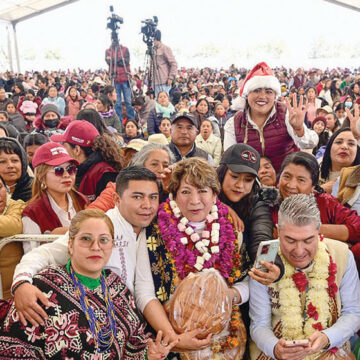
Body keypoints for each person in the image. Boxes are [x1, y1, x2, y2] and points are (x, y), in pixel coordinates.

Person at [1, 209, 177, 359]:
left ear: (112, 245)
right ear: (70, 245)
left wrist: (149, 354)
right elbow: (14, 348)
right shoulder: (43, 287)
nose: (95, 247)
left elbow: (135, 343)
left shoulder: (116, 286)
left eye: (104, 240)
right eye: (86, 239)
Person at [11, 167, 159, 329]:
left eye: (153, 197)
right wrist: (21, 283)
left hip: (133, 325)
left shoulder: (155, 228)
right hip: (90, 323)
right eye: (137, 197)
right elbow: (45, 254)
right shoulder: (99, 226)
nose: (147, 205)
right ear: (117, 199)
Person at [135, 158, 249, 358]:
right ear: (174, 195)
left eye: (203, 191)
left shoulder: (233, 229)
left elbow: (248, 280)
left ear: (215, 195)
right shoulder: (153, 231)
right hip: (171, 338)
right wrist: (176, 339)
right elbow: (144, 293)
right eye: (186, 191)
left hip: (225, 339)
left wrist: (229, 296)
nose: (195, 201)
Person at [249, 194, 360, 360]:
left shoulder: (342, 254)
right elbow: (259, 324)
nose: (299, 251)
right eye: (290, 240)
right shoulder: (266, 260)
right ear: (278, 231)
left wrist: (328, 337)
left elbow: (353, 313)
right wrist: (275, 348)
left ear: (318, 230)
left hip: (329, 347)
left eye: (308, 240)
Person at [264, 151, 360, 271]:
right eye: (287, 176)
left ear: (313, 186)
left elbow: (357, 227)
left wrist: (311, 229)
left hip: (325, 270)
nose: (291, 185)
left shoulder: (324, 203)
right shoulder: (268, 205)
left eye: (301, 180)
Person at [224, 62, 318, 173]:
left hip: (285, 181)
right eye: (257, 90)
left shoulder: (286, 114)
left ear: (275, 96)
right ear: (246, 94)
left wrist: (299, 129)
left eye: (268, 92)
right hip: (250, 183)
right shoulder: (234, 123)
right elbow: (229, 160)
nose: (262, 96)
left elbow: (311, 142)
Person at [22, 142, 88, 244]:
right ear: (41, 177)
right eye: (58, 170)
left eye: (71, 169)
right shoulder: (32, 213)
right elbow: (31, 255)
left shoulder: (82, 200)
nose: (66, 175)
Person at [51, 120, 122, 201]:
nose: (63, 150)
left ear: (77, 150)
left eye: (64, 145)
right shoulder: (77, 170)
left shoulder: (105, 174)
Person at [0, 175, 26, 299]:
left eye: (0, 187)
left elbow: (14, 225)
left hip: (11, 295)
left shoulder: (16, 206)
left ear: (7, 189)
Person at [319, 127, 360, 193]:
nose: (344, 147)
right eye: (338, 142)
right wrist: (320, 190)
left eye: (351, 144)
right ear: (329, 147)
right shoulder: (313, 171)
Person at [105, 39, 135, 124]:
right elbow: (108, 62)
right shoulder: (108, 51)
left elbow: (126, 61)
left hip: (125, 78)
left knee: (128, 102)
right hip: (115, 79)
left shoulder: (125, 49)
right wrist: (120, 60)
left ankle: (131, 121)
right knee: (117, 103)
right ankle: (119, 123)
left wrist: (114, 60)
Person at [0, 137, 32, 202]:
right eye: (2, 162)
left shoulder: (37, 190)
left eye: (15, 160)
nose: (10, 166)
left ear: (23, 163)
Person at [152, 30, 178, 97]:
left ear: (154, 38)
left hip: (164, 81)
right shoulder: (152, 50)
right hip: (155, 82)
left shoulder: (165, 48)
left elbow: (174, 64)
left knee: (163, 102)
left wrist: (170, 78)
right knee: (157, 102)